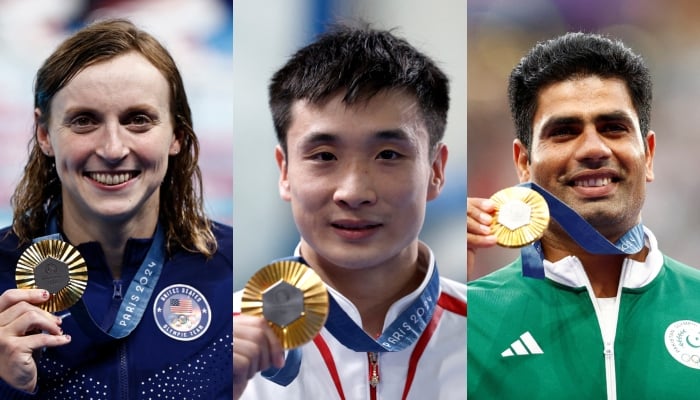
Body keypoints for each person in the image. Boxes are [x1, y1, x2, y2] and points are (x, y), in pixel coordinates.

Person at [0, 19, 232, 399]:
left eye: (138, 120)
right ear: (44, 135)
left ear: (176, 134)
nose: (111, 149)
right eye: (84, 120)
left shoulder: (233, 272)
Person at [233, 24, 467, 399]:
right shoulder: (210, 346)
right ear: (285, 172)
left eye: (388, 155)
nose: (354, 192)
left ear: (436, 172)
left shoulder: (496, 336)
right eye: (324, 156)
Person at [467, 31, 700, 399]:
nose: (593, 149)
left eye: (613, 128)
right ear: (523, 164)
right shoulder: (466, 318)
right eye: (563, 132)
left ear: (649, 155)